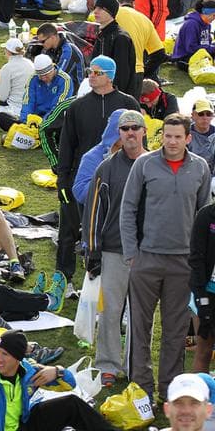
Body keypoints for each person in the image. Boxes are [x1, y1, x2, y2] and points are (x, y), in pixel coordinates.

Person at [121, 113, 211, 401]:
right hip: (146, 259)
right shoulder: (143, 164)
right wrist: (132, 254)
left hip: (182, 263)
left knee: (174, 332)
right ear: (161, 137)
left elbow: (202, 218)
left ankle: (168, 391)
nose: (171, 142)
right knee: (140, 329)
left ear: (188, 138)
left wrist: (197, 262)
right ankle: (141, 390)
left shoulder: (200, 168)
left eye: (177, 137)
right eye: (167, 136)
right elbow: (128, 209)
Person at [57, 56, 139, 295]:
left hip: (120, 177)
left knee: (112, 232)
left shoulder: (127, 103)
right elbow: (67, 143)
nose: (91, 75)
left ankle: (111, 282)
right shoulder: (77, 106)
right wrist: (63, 178)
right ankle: (64, 280)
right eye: (89, 71)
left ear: (110, 76)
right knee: (69, 229)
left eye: (97, 72)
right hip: (82, 177)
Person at [79, 110, 146, 387]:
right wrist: (92, 251)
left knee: (142, 315)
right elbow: (93, 211)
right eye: (125, 128)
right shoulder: (106, 168)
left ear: (144, 131)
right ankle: (108, 365)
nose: (130, 133)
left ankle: (138, 367)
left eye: (135, 128)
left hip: (148, 252)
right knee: (110, 312)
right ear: (118, 133)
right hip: (113, 250)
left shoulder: (155, 164)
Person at [0, 329, 117, 430]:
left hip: (24, 425)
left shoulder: (29, 369)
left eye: (5, 354)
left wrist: (57, 371)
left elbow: (70, 385)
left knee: (71, 403)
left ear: (18, 359)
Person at [0, 54, 72, 132]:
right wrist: (25, 122)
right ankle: (28, 133)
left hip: (53, 121)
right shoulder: (33, 78)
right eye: (40, 75)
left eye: (46, 75)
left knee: (59, 126)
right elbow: (28, 102)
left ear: (52, 69)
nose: (43, 78)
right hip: (34, 120)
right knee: (2, 117)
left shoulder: (65, 80)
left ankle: (30, 134)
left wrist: (42, 123)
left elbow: (58, 108)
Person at [114, 0, 168, 89]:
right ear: (133, 4)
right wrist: (145, 72)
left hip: (113, 71)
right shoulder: (145, 20)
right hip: (137, 72)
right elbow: (159, 54)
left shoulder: (111, 15)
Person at [92, 0, 137, 96]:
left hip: (116, 96)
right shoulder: (102, 35)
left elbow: (121, 74)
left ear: (111, 12)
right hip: (101, 91)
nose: (95, 11)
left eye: (101, 9)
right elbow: (96, 68)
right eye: (95, 8)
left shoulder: (120, 38)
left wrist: (112, 96)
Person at [190, 199, 215, 374]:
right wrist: (202, 299)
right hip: (207, 292)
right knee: (204, 350)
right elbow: (196, 259)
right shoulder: (206, 216)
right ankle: (198, 400)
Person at [0, 38, 35, 121]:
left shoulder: (8, 68)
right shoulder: (30, 63)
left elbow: (2, 96)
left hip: (15, 108)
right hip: (30, 106)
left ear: (8, 51)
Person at [36, 22, 86, 90]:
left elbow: (58, 75)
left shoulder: (68, 51)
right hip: (61, 87)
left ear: (53, 38)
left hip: (74, 92)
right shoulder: (49, 49)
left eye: (43, 41)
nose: (41, 44)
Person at [172, 0, 215, 68]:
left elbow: (207, 43)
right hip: (184, 58)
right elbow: (191, 48)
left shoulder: (207, 24)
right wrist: (212, 48)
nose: (214, 19)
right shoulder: (191, 24)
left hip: (200, 53)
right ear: (206, 12)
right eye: (214, 15)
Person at [189, 100, 215, 167]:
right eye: (201, 114)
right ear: (193, 116)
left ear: (212, 116)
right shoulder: (185, 133)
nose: (205, 118)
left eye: (208, 114)